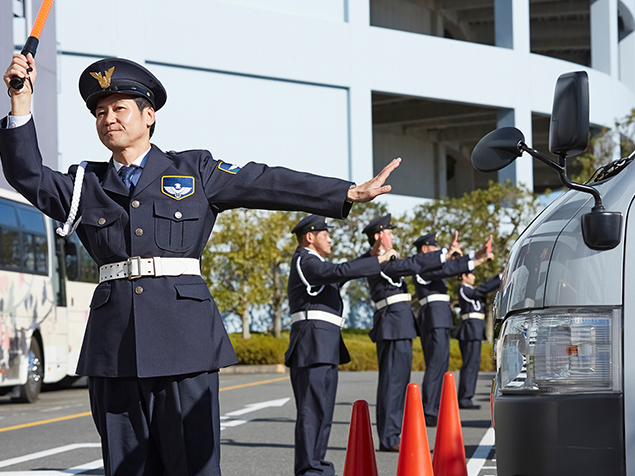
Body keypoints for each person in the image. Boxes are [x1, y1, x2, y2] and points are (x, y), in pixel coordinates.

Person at [1, 53, 401, 476]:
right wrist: (21, 103)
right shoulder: (85, 183)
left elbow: (263, 181)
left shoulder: (194, 170)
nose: (108, 119)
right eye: (100, 112)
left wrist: (345, 193)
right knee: (125, 468)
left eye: (119, 108)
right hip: (114, 351)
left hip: (184, 345)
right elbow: (26, 175)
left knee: (193, 466)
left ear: (148, 115)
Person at [285, 214, 396, 476]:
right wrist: (378, 260)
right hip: (311, 344)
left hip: (325, 344)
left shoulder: (318, 264)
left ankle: (317, 464)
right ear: (310, 237)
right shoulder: (304, 260)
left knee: (323, 412)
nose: (331, 238)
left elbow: (340, 271)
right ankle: (308, 469)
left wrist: (371, 254)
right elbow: (336, 271)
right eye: (325, 234)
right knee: (312, 412)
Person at [359, 215, 465, 452]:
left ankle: (393, 433)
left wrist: (446, 256)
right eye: (390, 232)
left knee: (399, 382)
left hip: (401, 323)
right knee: (392, 383)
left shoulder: (386, 259)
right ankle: (389, 436)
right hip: (392, 324)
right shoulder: (375, 260)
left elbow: (411, 263)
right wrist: (443, 254)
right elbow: (411, 264)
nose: (394, 236)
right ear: (378, 236)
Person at [412, 232, 492, 426]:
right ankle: (429, 411)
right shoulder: (422, 266)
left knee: (441, 365)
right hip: (433, 318)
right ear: (424, 250)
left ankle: (434, 408)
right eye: (434, 248)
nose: (438, 252)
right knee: (435, 364)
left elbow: (450, 266)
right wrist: (477, 258)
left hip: (440, 318)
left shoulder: (431, 266)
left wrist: (475, 254)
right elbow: (449, 268)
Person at [456, 270, 501, 409]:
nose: (474, 277)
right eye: (471, 274)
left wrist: (496, 277)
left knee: (473, 365)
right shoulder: (463, 289)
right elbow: (478, 292)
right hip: (469, 331)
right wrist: (499, 278)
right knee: (469, 365)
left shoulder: (470, 289)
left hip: (474, 331)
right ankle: (464, 398)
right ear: (464, 276)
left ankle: (467, 397)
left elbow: (483, 287)